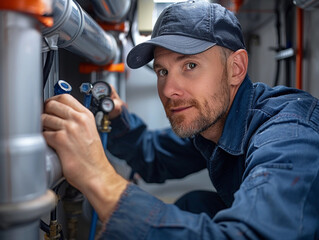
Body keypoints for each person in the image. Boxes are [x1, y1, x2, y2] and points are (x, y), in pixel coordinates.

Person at [42, 1, 319, 239]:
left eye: (190, 65)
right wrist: (116, 115)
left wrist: (97, 178)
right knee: (195, 205)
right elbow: (155, 156)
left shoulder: (288, 136)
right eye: (162, 71)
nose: (168, 90)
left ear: (235, 69)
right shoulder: (215, 123)